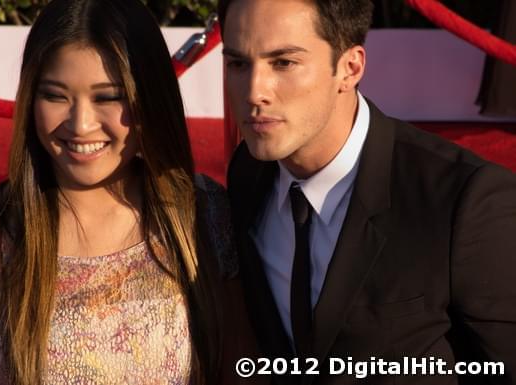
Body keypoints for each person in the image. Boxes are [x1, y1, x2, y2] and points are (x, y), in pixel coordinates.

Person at [0, 0, 256, 384]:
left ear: (149, 100)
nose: (81, 124)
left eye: (107, 97)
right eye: (55, 96)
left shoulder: (204, 215)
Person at [219, 0, 516, 384]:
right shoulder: (249, 173)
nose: (254, 92)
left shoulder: (465, 200)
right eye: (238, 63)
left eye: (283, 63)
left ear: (350, 67)